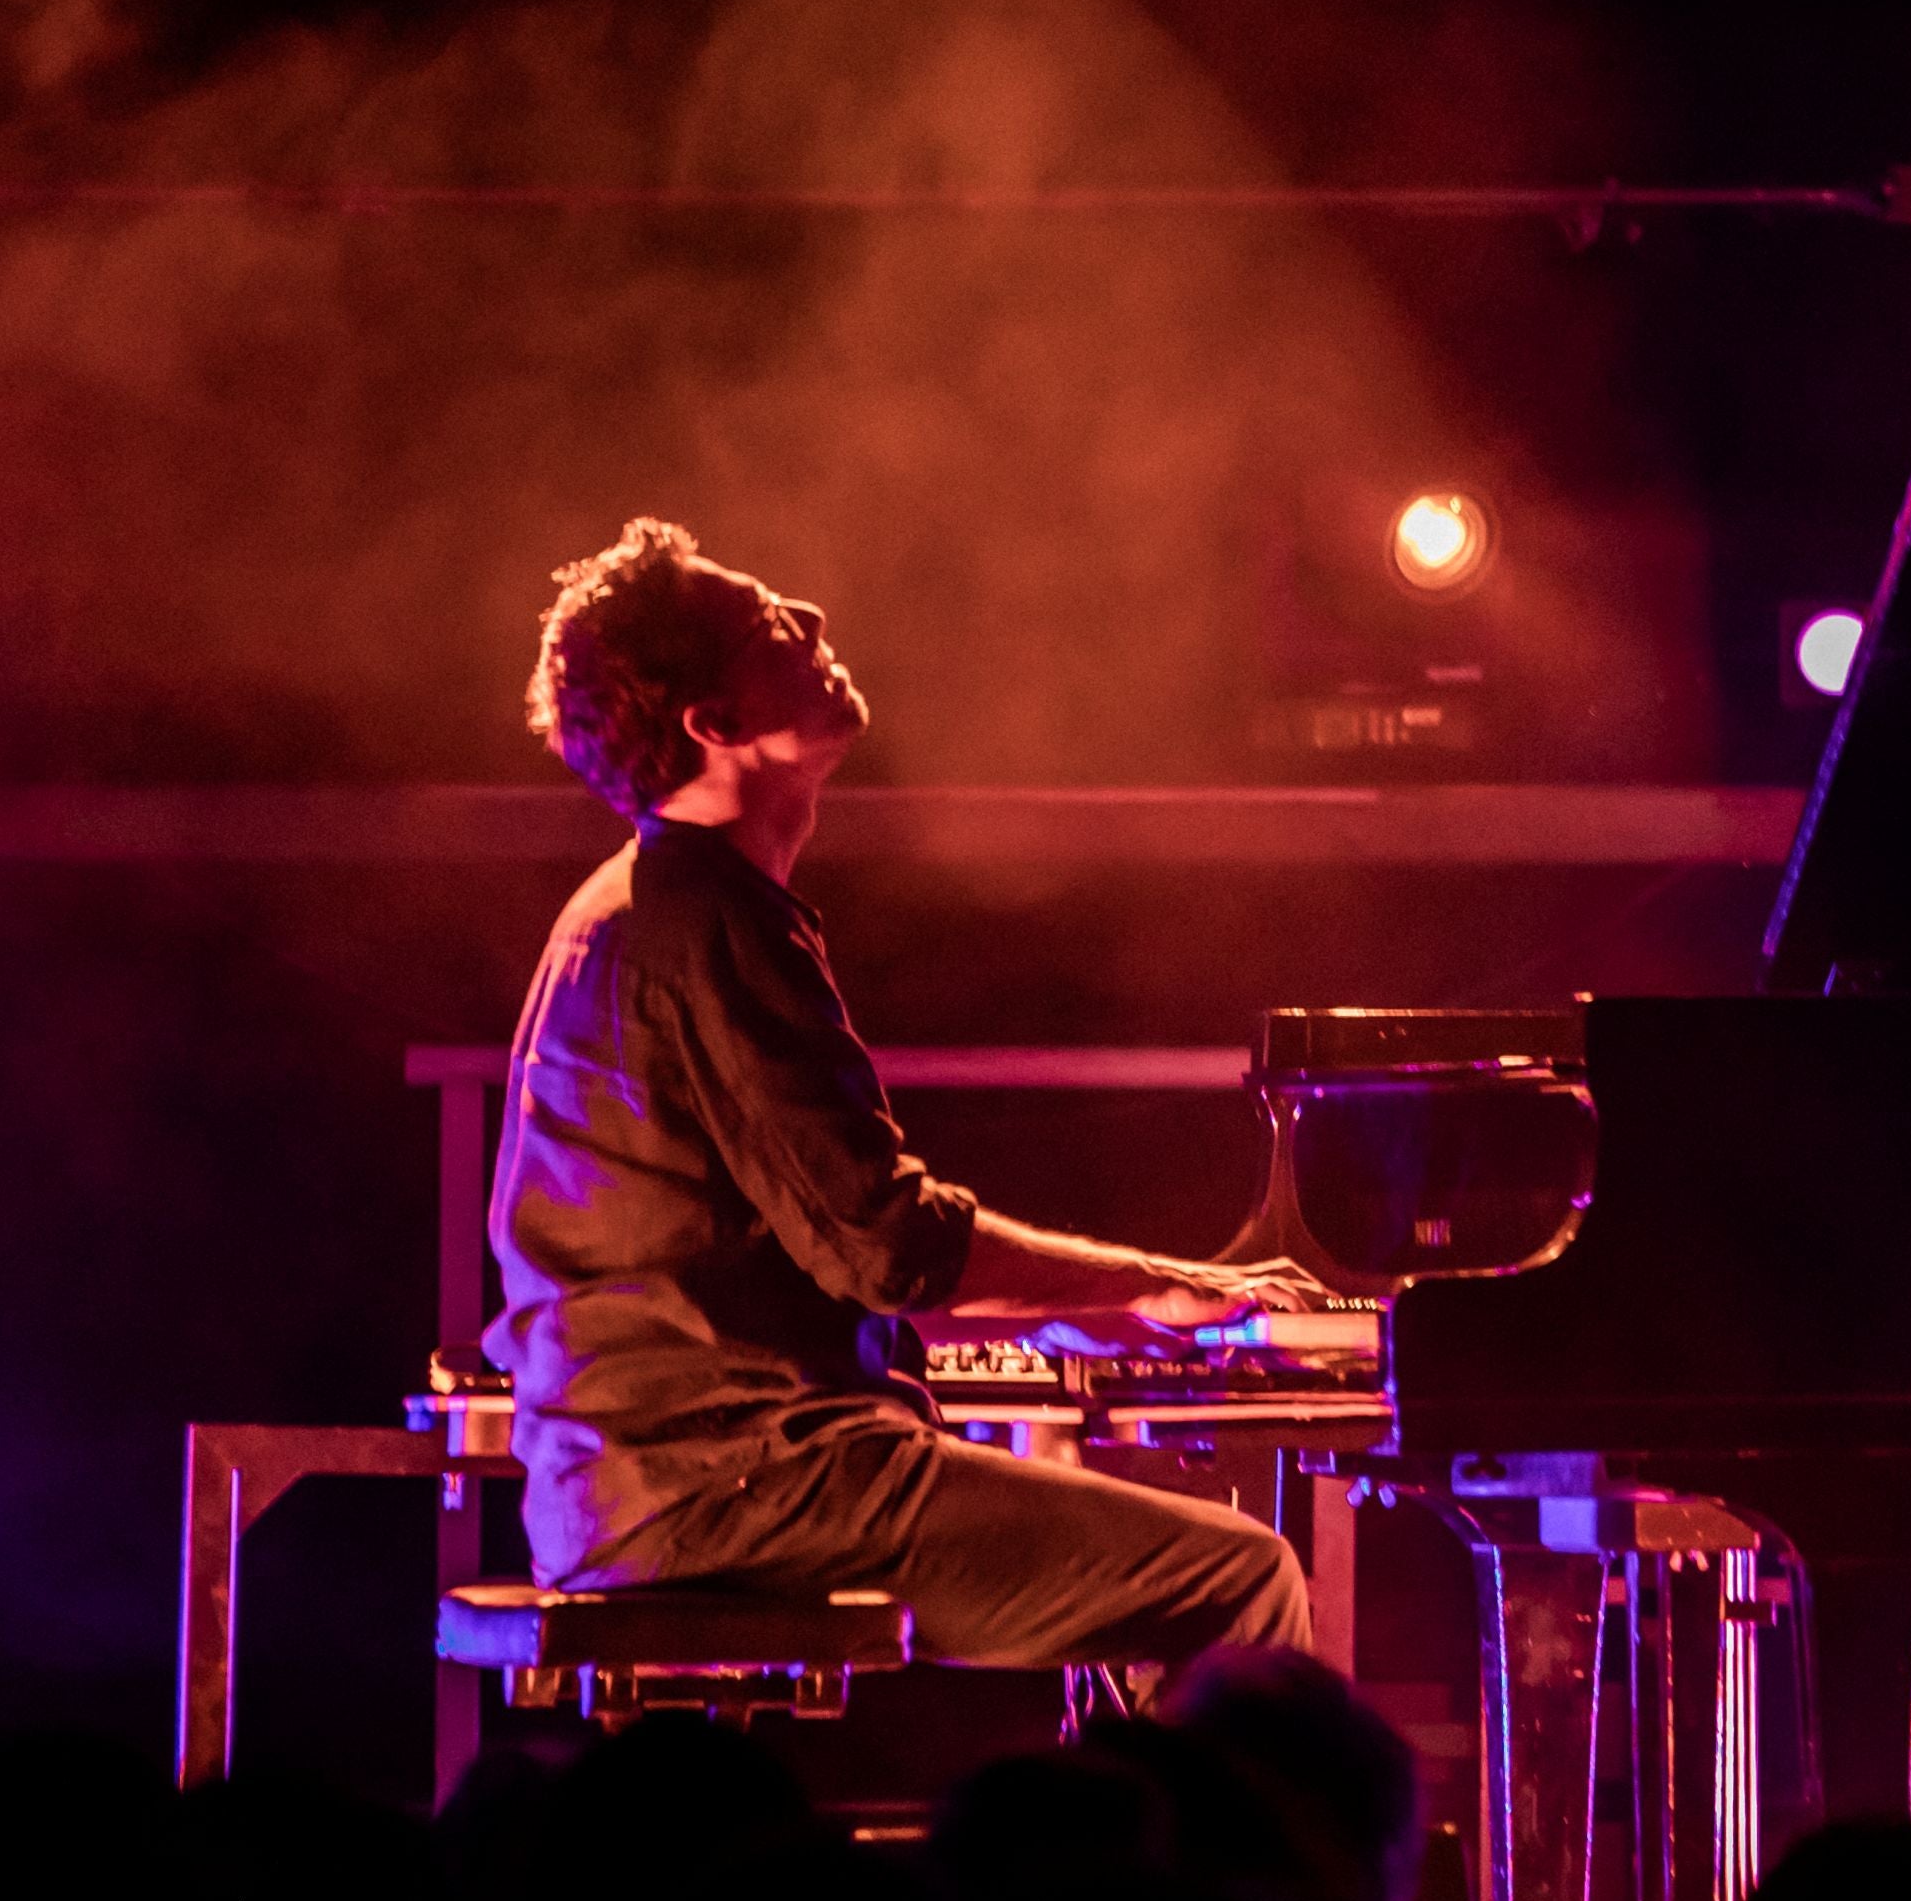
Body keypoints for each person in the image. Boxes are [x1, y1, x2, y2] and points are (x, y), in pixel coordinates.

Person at [487, 517, 1318, 1668]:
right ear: (714, 723)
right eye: (768, 623)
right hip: (736, 1489)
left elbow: (806, 1250)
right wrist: (1151, 1277)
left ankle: (1133, 1791)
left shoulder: (639, 906)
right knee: (1237, 1577)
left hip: (647, 1485)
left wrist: (1092, 1310)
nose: (813, 617)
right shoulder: (711, 922)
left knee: (1135, 1578)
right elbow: (883, 1244)